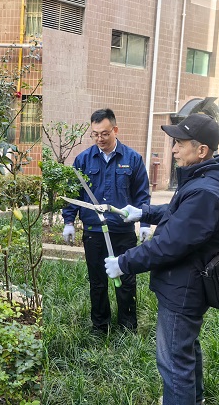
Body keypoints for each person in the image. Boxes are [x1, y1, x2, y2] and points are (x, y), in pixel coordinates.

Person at [104, 113, 219, 405]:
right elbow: (181, 211)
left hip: (184, 289)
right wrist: (144, 212)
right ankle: (196, 399)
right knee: (186, 347)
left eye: (179, 143)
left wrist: (123, 263)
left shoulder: (206, 191)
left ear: (201, 149)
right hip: (187, 284)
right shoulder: (207, 179)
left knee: (173, 362)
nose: (173, 149)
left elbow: (168, 244)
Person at [61, 108, 152, 333]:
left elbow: (142, 194)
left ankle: (127, 327)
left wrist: (146, 223)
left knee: (127, 280)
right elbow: (74, 194)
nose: (100, 139)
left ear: (115, 130)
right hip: (94, 231)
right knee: (98, 282)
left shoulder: (132, 159)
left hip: (123, 231)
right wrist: (69, 221)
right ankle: (100, 326)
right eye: (95, 134)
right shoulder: (83, 160)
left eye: (104, 133)